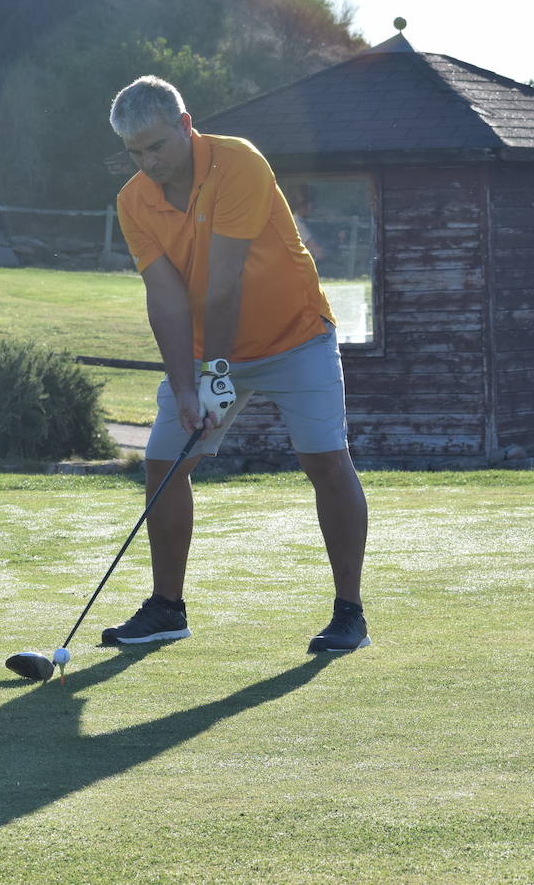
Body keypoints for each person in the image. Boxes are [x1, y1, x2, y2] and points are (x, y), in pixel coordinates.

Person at [103, 76, 369, 652]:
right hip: (207, 352)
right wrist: (185, 387)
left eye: (157, 146)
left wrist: (213, 381)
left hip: (296, 336)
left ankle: (349, 612)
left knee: (325, 459)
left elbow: (224, 284)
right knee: (163, 464)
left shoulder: (237, 162)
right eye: (135, 153)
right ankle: (167, 609)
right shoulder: (134, 202)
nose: (148, 163)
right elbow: (166, 301)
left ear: (186, 125)